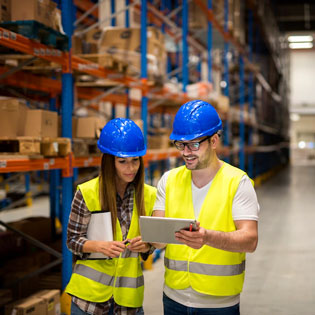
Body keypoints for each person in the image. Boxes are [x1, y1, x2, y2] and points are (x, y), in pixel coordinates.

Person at [152, 100, 259, 315]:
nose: (186, 152)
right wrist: (146, 238)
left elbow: (250, 240)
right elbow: (157, 240)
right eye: (181, 144)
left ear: (214, 141)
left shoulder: (238, 182)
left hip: (219, 304)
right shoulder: (168, 180)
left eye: (194, 144)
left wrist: (208, 237)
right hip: (174, 298)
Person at [66, 118, 157, 315]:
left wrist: (147, 245)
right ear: (109, 161)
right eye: (122, 162)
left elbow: (152, 245)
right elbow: (72, 241)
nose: (130, 168)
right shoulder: (88, 192)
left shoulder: (150, 196)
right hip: (88, 301)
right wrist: (99, 246)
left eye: (135, 161)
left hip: (128, 303)